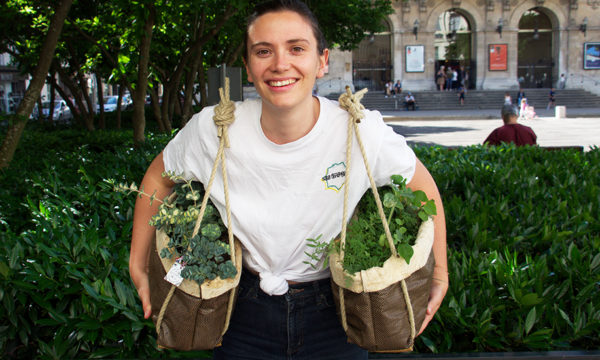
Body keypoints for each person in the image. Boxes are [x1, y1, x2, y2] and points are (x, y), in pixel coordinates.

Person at [129, 1, 448, 359]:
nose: (280, 64)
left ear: (321, 61)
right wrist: (138, 264)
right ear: (248, 67)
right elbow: (159, 176)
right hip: (241, 311)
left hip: (339, 312)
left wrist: (439, 274)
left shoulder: (359, 129)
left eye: (297, 48)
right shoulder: (213, 129)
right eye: (263, 51)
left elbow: (423, 187)